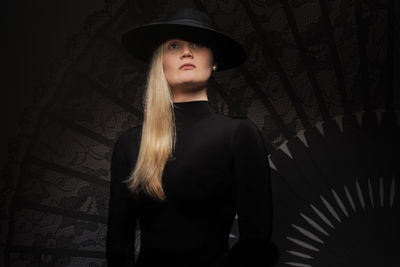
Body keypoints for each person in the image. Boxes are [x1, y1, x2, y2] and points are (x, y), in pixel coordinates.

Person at [106, 7, 272, 267]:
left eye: (198, 43)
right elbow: (118, 243)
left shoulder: (239, 135)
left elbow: (257, 240)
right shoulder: (130, 144)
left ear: (214, 60)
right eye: (173, 45)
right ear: (160, 61)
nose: (186, 52)